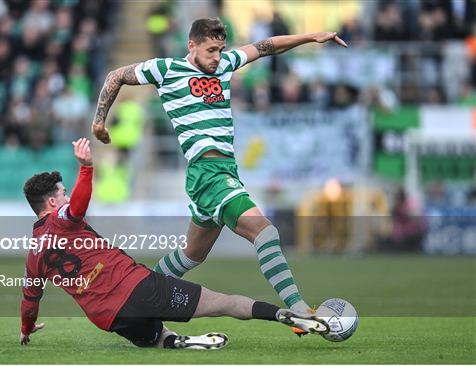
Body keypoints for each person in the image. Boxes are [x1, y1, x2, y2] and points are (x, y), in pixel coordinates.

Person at [90, 18, 347, 322]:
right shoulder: (167, 69)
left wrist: (311, 36)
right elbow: (115, 75)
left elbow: (266, 47)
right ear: (192, 46)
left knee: (192, 255)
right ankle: (300, 309)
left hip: (222, 172)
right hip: (209, 173)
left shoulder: (225, 64)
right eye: (211, 50)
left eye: (220, 49)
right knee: (265, 231)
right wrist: (99, 121)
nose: (216, 57)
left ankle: (139, 297)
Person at [20, 138, 328, 349]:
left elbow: (30, 300)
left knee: (155, 336)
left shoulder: (34, 252)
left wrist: (26, 328)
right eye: (62, 192)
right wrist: (86, 167)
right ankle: (285, 316)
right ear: (50, 201)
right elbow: (79, 205)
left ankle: (173, 340)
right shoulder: (62, 218)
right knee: (222, 303)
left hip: (110, 318)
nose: (67, 194)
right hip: (137, 288)